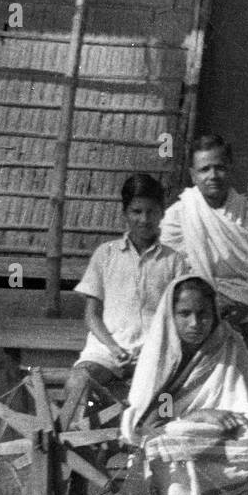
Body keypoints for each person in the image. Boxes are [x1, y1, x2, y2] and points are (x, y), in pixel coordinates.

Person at [120, 276, 248, 495]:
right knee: (173, 438)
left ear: (215, 314)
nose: (195, 323)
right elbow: (157, 416)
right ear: (170, 315)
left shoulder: (228, 342)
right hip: (178, 426)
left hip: (221, 424)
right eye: (184, 314)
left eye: (203, 314)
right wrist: (200, 415)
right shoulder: (164, 352)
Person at [62, 173, 185, 421]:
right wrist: (113, 348)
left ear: (162, 213)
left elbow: (178, 316)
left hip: (153, 355)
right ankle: (82, 449)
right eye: (136, 211)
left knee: (165, 400)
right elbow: (91, 315)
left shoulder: (174, 261)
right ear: (125, 213)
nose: (144, 219)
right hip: (106, 352)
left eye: (151, 211)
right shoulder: (105, 255)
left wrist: (155, 349)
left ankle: (144, 448)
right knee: (77, 382)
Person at [160, 135, 248, 342]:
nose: (213, 175)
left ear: (230, 168)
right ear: (193, 175)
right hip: (193, 310)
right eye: (204, 169)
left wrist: (241, 303)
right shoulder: (178, 215)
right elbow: (168, 273)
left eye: (219, 167)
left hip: (245, 309)